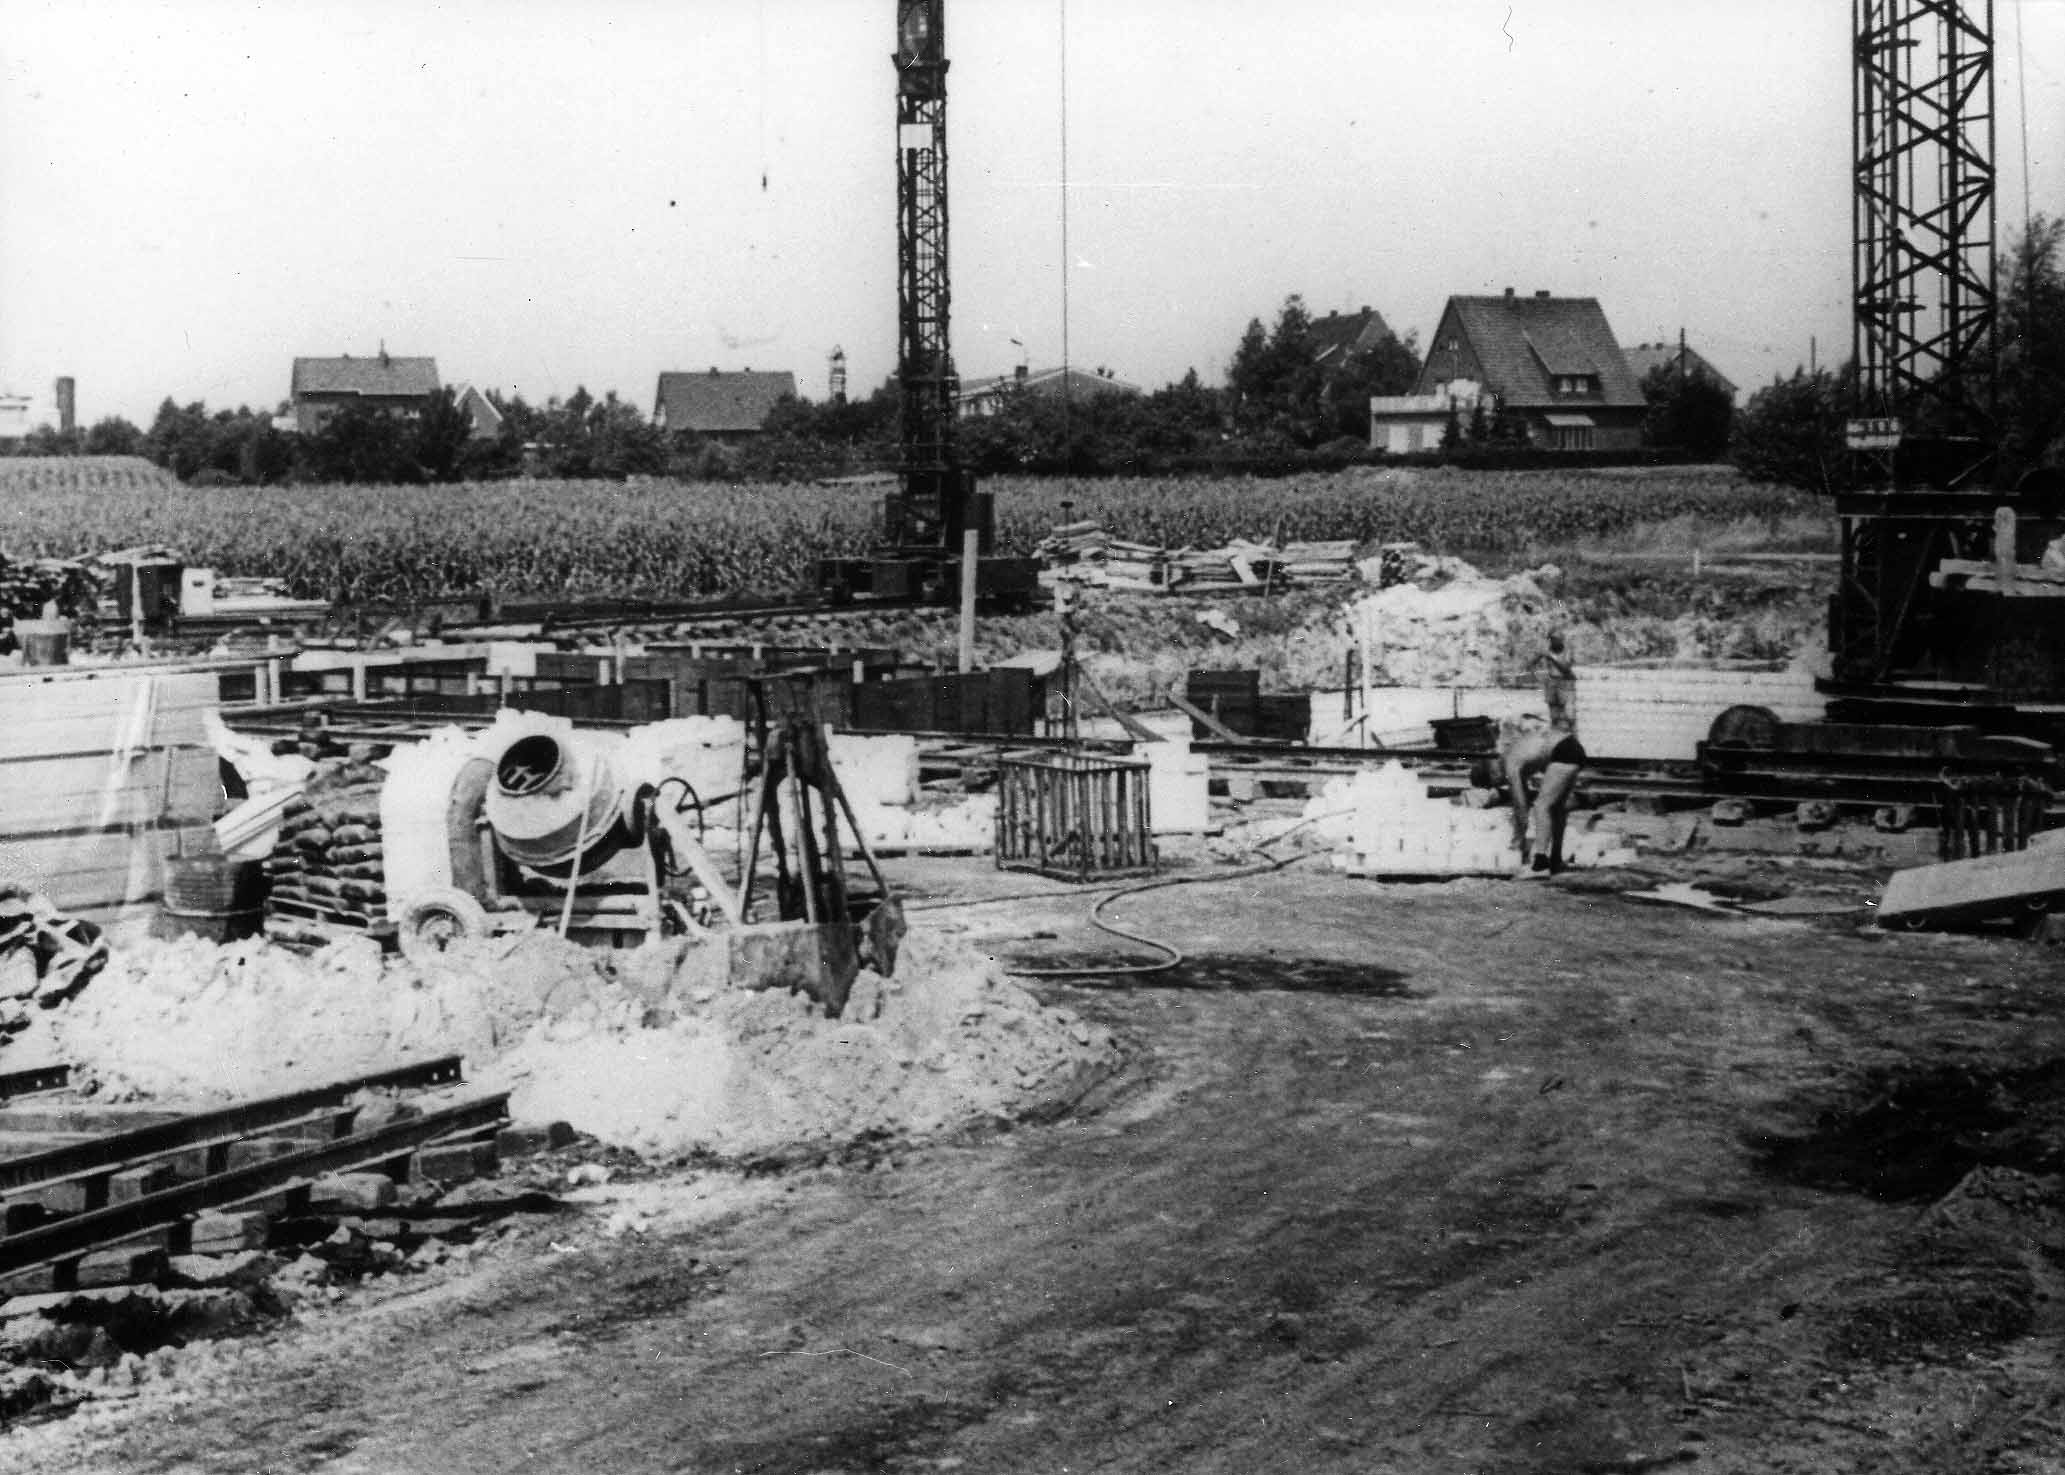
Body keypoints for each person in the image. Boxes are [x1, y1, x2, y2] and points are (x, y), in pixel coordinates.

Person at [1490, 716, 1586, 875]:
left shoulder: (1509, 764)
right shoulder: (1515, 751)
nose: (1501, 783)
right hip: (1573, 748)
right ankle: (1555, 859)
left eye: (1496, 782)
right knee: (1557, 809)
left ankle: (1540, 859)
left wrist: (1517, 842)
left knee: (1541, 806)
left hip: (1562, 751)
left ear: (1493, 774)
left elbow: (1520, 806)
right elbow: (1524, 797)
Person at [1530, 632, 1576, 730]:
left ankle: (1570, 734)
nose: (1552, 642)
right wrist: (1536, 659)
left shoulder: (1568, 651)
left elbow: (1565, 669)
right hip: (1551, 681)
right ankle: (1555, 731)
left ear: (1561, 641)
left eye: (1555, 640)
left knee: (1569, 715)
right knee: (1553, 713)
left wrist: (1551, 658)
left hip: (1566, 683)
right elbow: (1532, 663)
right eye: (1551, 640)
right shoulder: (1548, 650)